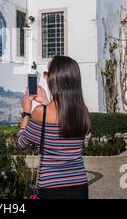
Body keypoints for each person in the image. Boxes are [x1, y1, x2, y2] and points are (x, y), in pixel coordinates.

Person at [18, 56, 90, 199]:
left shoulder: (40, 112)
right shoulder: (83, 111)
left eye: (47, 73)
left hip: (50, 189)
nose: (45, 76)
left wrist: (26, 112)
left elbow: (21, 142)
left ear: (53, 79)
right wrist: (46, 101)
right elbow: (61, 120)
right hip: (79, 186)